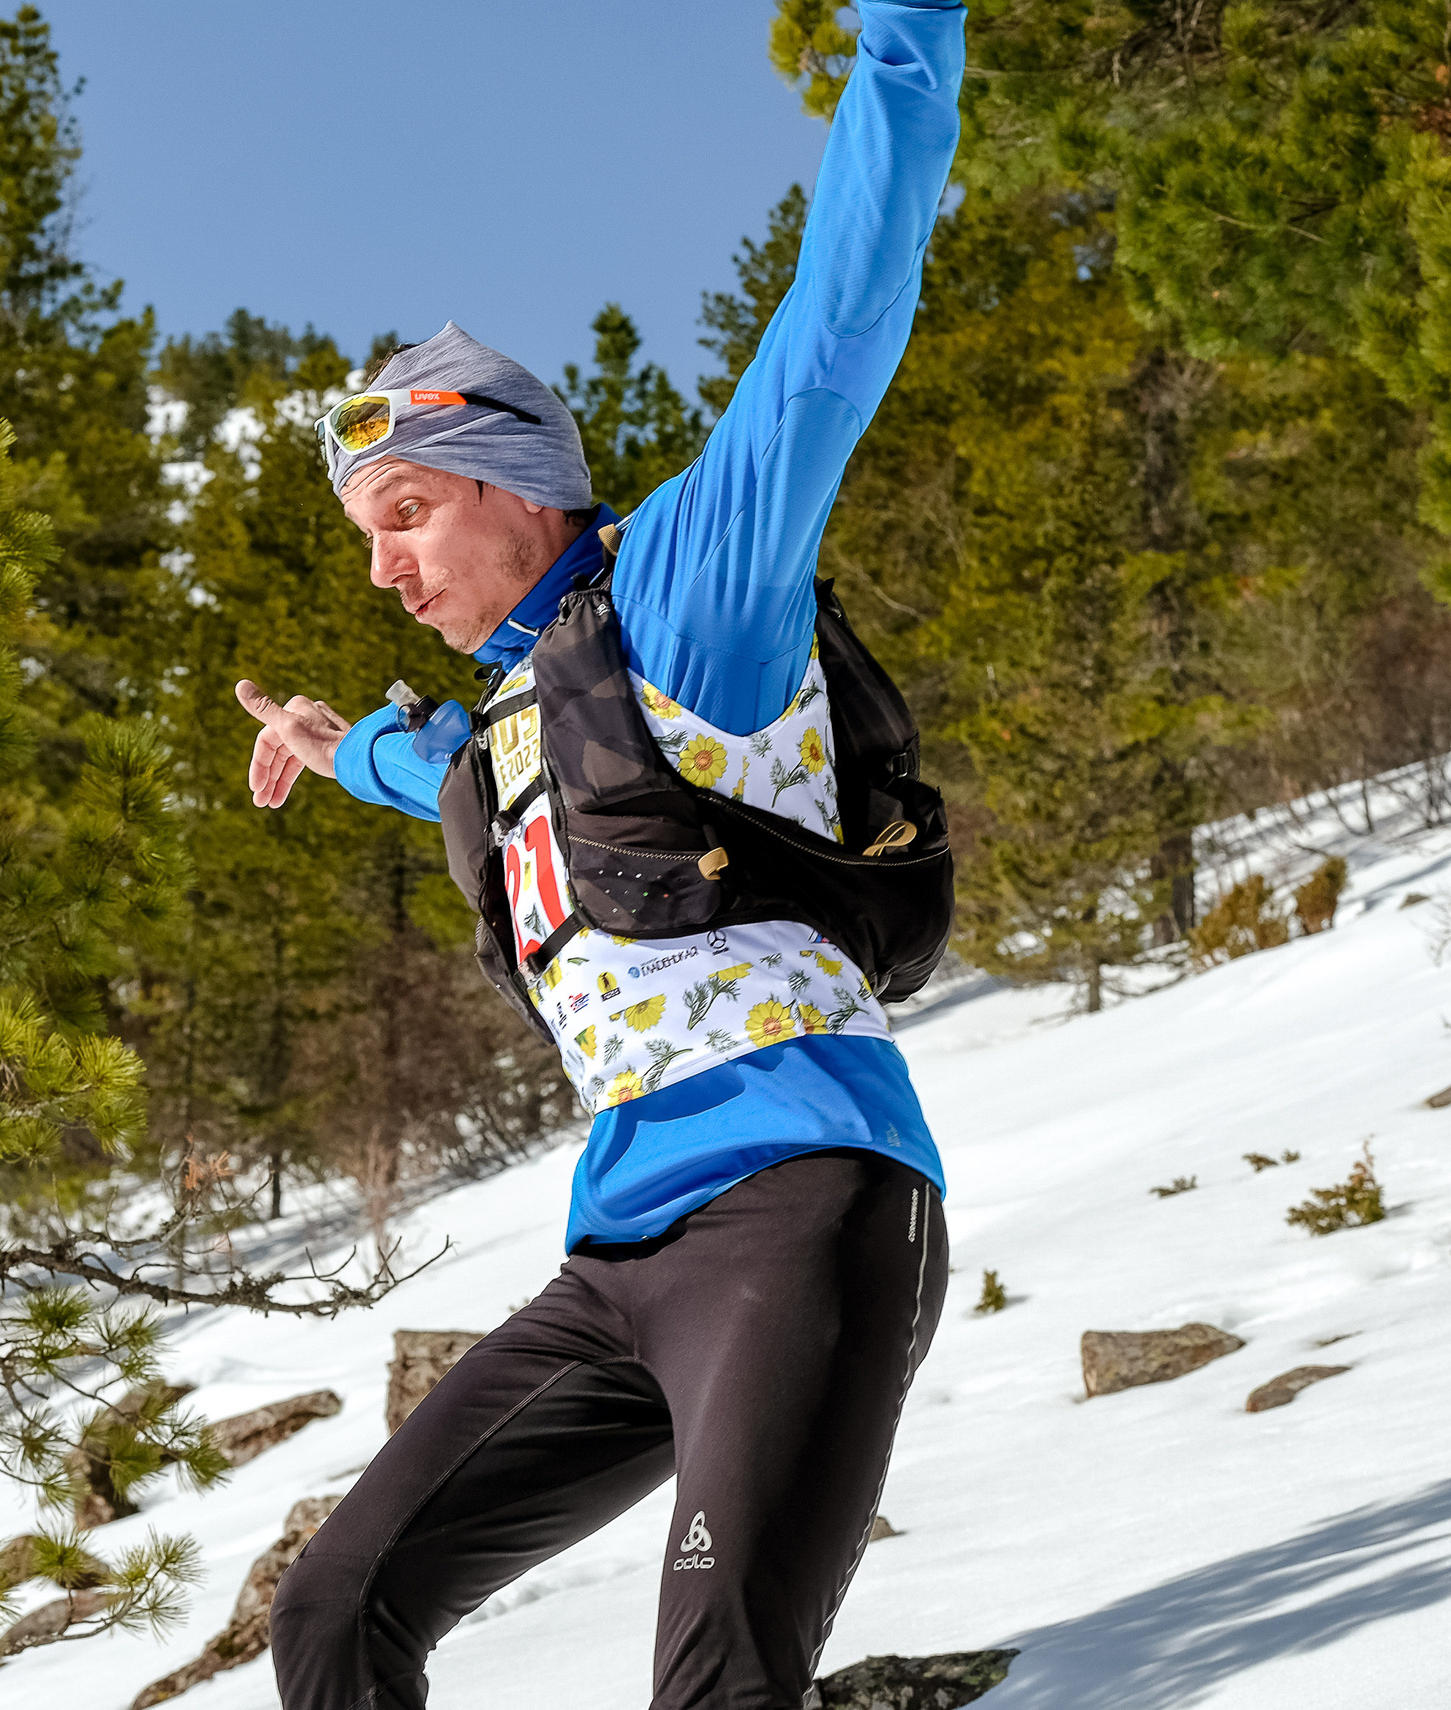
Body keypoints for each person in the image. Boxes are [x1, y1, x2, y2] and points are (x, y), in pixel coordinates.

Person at [237, 6, 965, 1704]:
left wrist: (906, 38)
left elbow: (837, 322)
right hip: (618, 1263)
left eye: (406, 514)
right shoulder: (515, 719)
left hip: (799, 1206)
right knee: (334, 1610)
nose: (384, 571)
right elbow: (451, 766)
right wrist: (335, 745)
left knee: (718, 1685)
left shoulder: (689, 594)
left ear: (518, 489)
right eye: (366, 540)